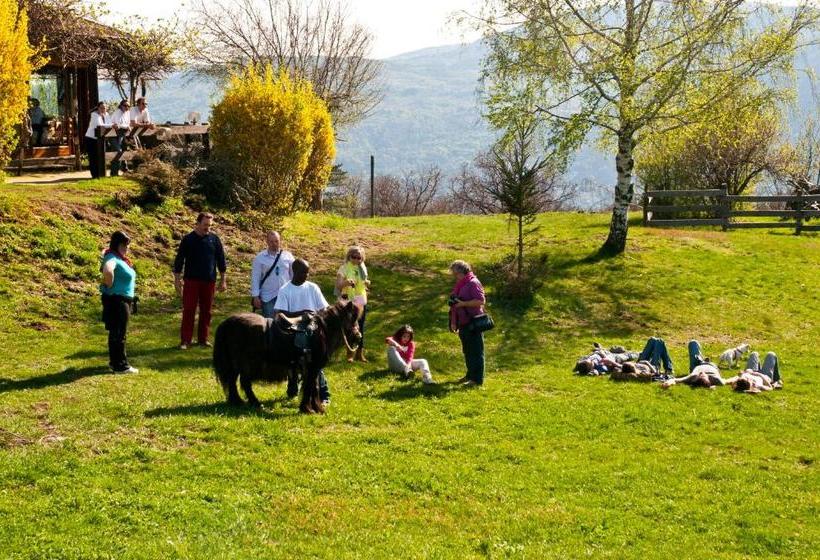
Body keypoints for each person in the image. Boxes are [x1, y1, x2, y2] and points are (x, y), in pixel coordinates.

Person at [274, 258, 332, 404]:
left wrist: (314, 316)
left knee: (315, 362)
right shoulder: (285, 290)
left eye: (307, 272)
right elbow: (280, 313)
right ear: (295, 272)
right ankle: (293, 386)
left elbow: (324, 308)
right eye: (303, 272)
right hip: (293, 329)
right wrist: (302, 313)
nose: (307, 275)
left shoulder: (313, 287)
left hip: (313, 328)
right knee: (293, 361)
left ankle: (323, 394)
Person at [173, 212, 227, 349]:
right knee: (189, 310)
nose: (207, 228)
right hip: (191, 281)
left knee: (206, 311)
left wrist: (223, 280)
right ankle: (185, 340)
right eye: (205, 225)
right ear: (197, 223)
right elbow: (179, 260)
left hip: (209, 281)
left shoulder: (214, 239)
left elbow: (221, 260)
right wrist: (177, 279)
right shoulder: (188, 239)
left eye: (209, 225)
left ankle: (203, 339)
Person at [100, 231, 138, 374]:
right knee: (119, 333)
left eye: (127, 245)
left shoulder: (120, 258)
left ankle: (115, 362)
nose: (126, 248)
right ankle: (121, 366)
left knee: (117, 332)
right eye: (123, 245)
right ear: (116, 245)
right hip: (117, 300)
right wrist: (109, 284)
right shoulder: (112, 257)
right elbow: (108, 270)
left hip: (122, 300)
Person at [448, 260, 486, 386]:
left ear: (462, 271)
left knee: (476, 351)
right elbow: (455, 303)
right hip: (463, 322)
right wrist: (454, 321)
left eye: (455, 273)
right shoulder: (461, 284)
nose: (454, 276)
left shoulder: (473, 283)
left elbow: (481, 301)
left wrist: (464, 304)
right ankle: (470, 375)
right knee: (467, 351)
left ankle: (477, 379)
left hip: (473, 322)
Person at [336, 246, 370, 362]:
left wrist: (366, 283)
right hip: (348, 301)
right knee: (349, 327)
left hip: (360, 300)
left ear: (362, 258)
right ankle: (350, 353)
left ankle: (360, 354)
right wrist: (345, 283)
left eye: (359, 258)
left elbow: (363, 283)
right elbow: (338, 286)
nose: (356, 260)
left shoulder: (362, 268)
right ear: (349, 256)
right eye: (353, 257)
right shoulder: (344, 268)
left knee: (361, 326)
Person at [250, 231, 294, 318]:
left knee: (287, 321)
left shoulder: (288, 256)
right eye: (271, 241)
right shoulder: (260, 258)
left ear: (280, 241)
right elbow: (255, 278)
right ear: (267, 242)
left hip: (285, 295)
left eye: (276, 241)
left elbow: (293, 275)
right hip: (268, 296)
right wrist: (255, 296)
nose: (274, 244)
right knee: (270, 323)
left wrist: (295, 291)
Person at [84, 102, 111, 179]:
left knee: (100, 157)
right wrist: (111, 125)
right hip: (91, 138)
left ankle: (99, 174)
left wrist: (110, 125)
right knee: (93, 157)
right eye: (101, 108)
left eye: (104, 108)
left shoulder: (107, 114)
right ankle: (94, 175)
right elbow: (99, 125)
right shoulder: (94, 114)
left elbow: (109, 123)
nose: (103, 109)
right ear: (98, 108)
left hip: (100, 139)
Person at [109, 100, 131, 176]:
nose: (127, 107)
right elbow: (118, 125)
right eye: (125, 105)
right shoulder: (117, 112)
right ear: (121, 106)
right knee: (118, 152)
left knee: (123, 150)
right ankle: (114, 172)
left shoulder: (127, 113)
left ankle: (124, 169)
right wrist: (127, 126)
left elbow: (127, 123)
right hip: (112, 135)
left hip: (120, 135)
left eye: (128, 106)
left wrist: (127, 126)